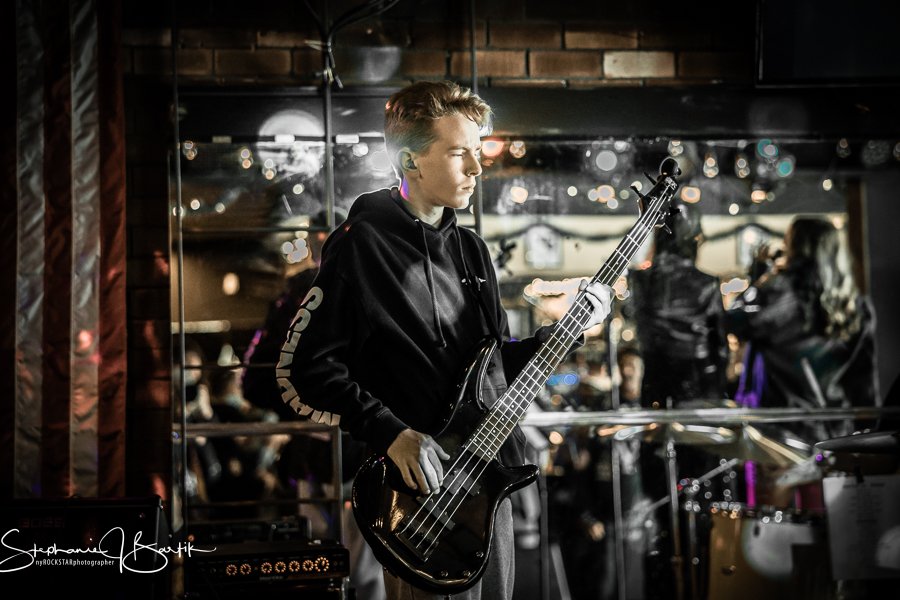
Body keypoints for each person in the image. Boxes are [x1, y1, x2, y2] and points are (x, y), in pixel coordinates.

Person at [277, 80, 613, 600]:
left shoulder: (472, 250)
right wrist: (391, 432)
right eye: (459, 154)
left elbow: (493, 368)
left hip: (488, 480)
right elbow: (304, 369)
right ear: (410, 160)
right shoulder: (360, 244)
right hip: (420, 498)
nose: (477, 168)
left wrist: (565, 332)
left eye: (478, 152)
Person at [725, 216, 880, 507]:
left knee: (773, 527)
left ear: (795, 248)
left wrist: (760, 276)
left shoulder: (778, 295)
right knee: (831, 522)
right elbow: (864, 382)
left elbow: (734, 320)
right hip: (835, 434)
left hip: (779, 434)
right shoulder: (855, 305)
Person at [627, 200, 729, 410]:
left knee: (656, 427)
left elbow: (634, 318)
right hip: (697, 378)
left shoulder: (640, 279)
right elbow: (719, 344)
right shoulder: (707, 283)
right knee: (693, 429)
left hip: (655, 377)